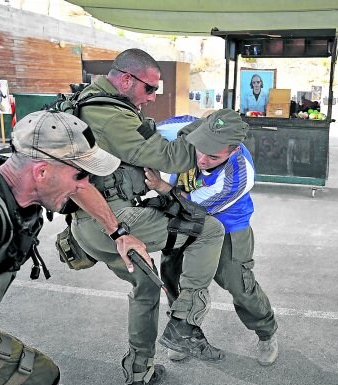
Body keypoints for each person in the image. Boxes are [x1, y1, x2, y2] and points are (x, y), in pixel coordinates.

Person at [68, 48, 227, 384]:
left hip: (92, 220)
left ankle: (140, 371)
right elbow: (169, 156)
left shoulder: (90, 101)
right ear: (126, 79)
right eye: (149, 89)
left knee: (145, 286)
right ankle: (184, 322)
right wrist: (208, 133)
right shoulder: (111, 115)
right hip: (111, 220)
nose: (153, 98)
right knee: (209, 230)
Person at [0, 110, 121, 385]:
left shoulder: (20, 189)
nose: (85, 186)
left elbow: (82, 194)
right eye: (81, 175)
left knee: (40, 374)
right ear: (42, 171)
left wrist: (119, 233)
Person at [144, 109, 280, 366]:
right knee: (175, 280)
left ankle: (266, 331)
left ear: (233, 151)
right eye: (200, 148)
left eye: (213, 156)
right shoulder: (186, 127)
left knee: (240, 285)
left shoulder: (239, 174)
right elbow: (143, 131)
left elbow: (192, 206)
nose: (202, 159)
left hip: (226, 226)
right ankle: (184, 331)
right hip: (180, 220)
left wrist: (162, 187)